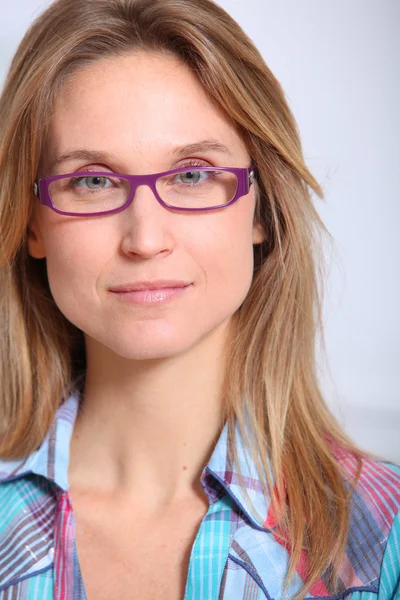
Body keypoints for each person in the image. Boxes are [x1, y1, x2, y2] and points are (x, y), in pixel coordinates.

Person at [0, 0, 398, 598]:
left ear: (261, 209)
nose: (146, 238)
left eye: (191, 174)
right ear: (32, 224)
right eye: (92, 180)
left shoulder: (382, 536)